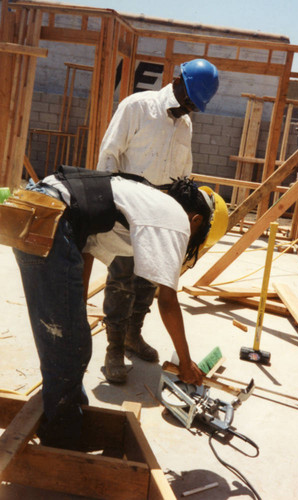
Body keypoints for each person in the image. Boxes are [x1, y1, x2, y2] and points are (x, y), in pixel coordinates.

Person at [11, 167, 228, 450]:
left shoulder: (143, 204)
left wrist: (73, 309)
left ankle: (67, 431)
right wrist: (186, 364)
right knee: (70, 348)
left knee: (70, 343)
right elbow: (168, 302)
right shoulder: (177, 219)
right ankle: (61, 448)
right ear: (196, 219)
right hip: (49, 214)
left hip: (38, 207)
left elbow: (86, 247)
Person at [97, 58, 220, 383]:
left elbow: (183, 172)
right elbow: (109, 154)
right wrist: (106, 205)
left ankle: (132, 337)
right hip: (126, 204)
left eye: (196, 105)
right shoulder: (137, 106)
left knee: (147, 280)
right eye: (189, 100)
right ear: (178, 81)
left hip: (161, 211)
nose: (190, 108)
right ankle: (113, 349)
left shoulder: (186, 124)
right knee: (121, 278)